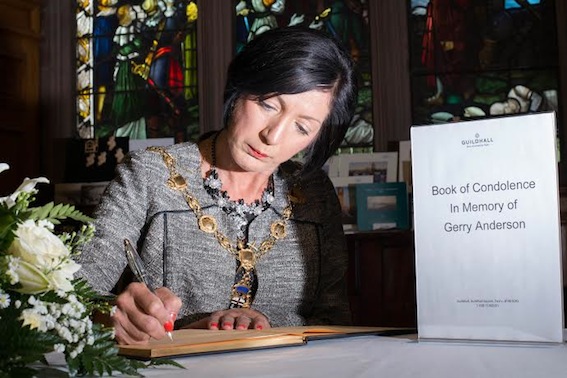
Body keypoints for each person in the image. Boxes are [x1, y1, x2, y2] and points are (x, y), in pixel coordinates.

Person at [75, 26, 358, 345]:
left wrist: (264, 324)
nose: (273, 136)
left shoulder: (315, 193)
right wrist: (112, 314)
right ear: (239, 86)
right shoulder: (149, 173)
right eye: (267, 104)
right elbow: (73, 297)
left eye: (302, 127)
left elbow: (334, 321)